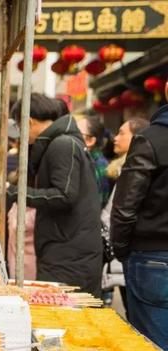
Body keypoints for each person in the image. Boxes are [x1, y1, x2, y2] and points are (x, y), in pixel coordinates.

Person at [7, 93, 102, 296]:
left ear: (29, 121)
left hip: (69, 253)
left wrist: (18, 193)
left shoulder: (62, 145)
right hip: (65, 248)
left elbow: (64, 195)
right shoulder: (60, 143)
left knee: (65, 318)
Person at [110, 104, 168, 349]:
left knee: (151, 343)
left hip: (152, 256)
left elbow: (125, 206)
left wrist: (122, 249)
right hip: (152, 256)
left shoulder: (152, 138)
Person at [100, 118, 148, 310]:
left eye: (122, 133)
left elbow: (122, 212)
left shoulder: (133, 169)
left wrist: (119, 248)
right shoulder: (117, 169)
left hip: (128, 253)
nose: (115, 138)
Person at [77, 115, 110, 208]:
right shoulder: (87, 159)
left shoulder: (97, 165)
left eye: (77, 132)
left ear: (90, 141)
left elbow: (95, 204)